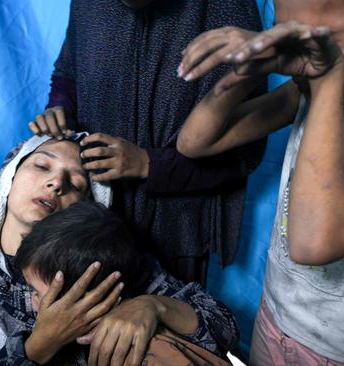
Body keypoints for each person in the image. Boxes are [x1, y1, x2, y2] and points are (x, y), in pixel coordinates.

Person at [176, 0, 344, 364]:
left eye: (318, 40)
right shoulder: (309, 85)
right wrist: (247, 72)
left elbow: (314, 243)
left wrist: (327, 85)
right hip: (273, 319)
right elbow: (195, 142)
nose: (301, 55)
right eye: (285, 34)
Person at [0, 134, 239, 365]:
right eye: (42, 166)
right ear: (7, 180)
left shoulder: (106, 262)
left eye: (76, 184)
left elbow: (224, 327)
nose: (57, 183)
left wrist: (154, 307)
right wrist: (40, 345)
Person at [28, 0, 266, 284]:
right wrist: (60, 110)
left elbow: (242, 153)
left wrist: (148, 165)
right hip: (84, 214)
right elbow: (69, 71)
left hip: (175, 227)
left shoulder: (226, 8)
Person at [9, 200, 233, 366]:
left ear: (90, 298)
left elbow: (225, 326)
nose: (32, 300)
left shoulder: (152, 353)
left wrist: (154, 305)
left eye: (37, 292)